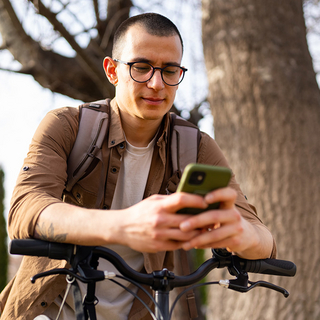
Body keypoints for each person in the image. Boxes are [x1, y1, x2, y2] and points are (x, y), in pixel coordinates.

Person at [0, 13, 276, 320]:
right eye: (141, 67)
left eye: (170, 70)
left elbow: (263, 240)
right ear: (112, 70)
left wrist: (240, 235)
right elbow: (26, 209)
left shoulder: (196, 147)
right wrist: (125, 226)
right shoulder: (67, 125)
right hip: (48, 310)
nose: (157, 84)